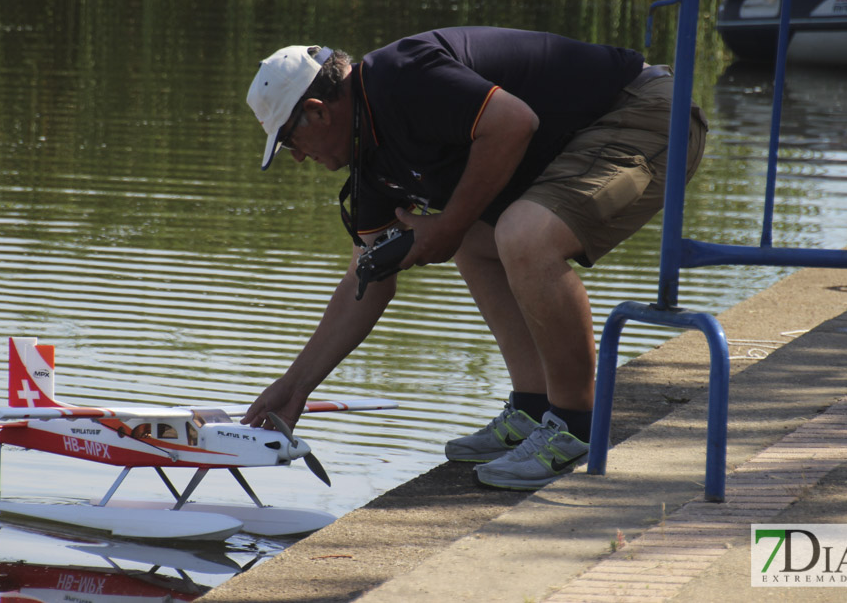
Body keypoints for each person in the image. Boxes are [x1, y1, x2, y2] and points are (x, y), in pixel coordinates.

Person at [241, 27, 708, 490]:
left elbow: (513, 121)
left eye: (289, 141)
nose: (297, 158)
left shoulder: (397, 75)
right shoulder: (368, 163)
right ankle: (532, 406)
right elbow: (367, 280)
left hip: (648, 113)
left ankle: (575, 427)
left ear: (317, 112)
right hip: (586, 139)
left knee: (524, 235)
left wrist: (447, 225)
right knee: (475, 239)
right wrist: (295, 386)